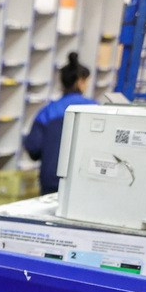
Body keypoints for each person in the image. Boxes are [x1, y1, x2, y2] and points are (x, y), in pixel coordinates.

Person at [22, 52, 96, 195]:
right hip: (83, 183)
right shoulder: (96, 110)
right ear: (80, 81)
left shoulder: (47, 111)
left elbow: (33, 149)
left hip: (50, 183)